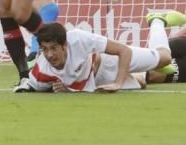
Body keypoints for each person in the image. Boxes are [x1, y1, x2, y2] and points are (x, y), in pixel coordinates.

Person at [26, 21, 171, 92]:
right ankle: (139, 74)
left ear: (65, 45)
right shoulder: (41, 70)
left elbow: (124, 51)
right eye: (44, 49)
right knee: (142, 85)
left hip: (109, 61)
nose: (49, 55)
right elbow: (31, 86)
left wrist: (118, 84)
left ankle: (157, 20)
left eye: (54, 48)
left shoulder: (78, 38)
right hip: (98, 81)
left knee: (165, 58)